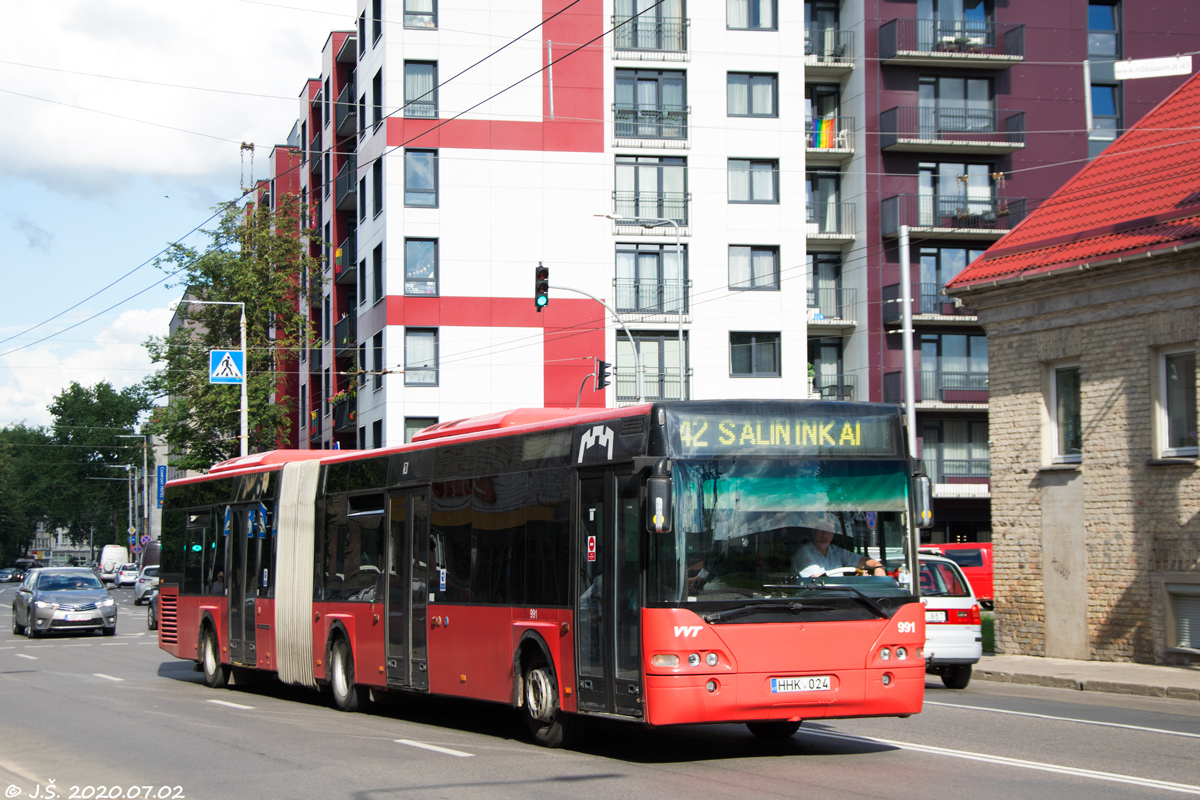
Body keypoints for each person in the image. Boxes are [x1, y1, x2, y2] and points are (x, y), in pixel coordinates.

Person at [792, 514, 885, 577]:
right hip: (813, 601)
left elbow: (863, 561)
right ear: (813, 532)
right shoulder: (804, 552)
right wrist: (854, 581)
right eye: (820, 530)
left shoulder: (836, 551)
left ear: (833, 534)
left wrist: (878, 567)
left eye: (828, 531)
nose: (824, 535)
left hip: (840, 599)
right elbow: (819, 581)